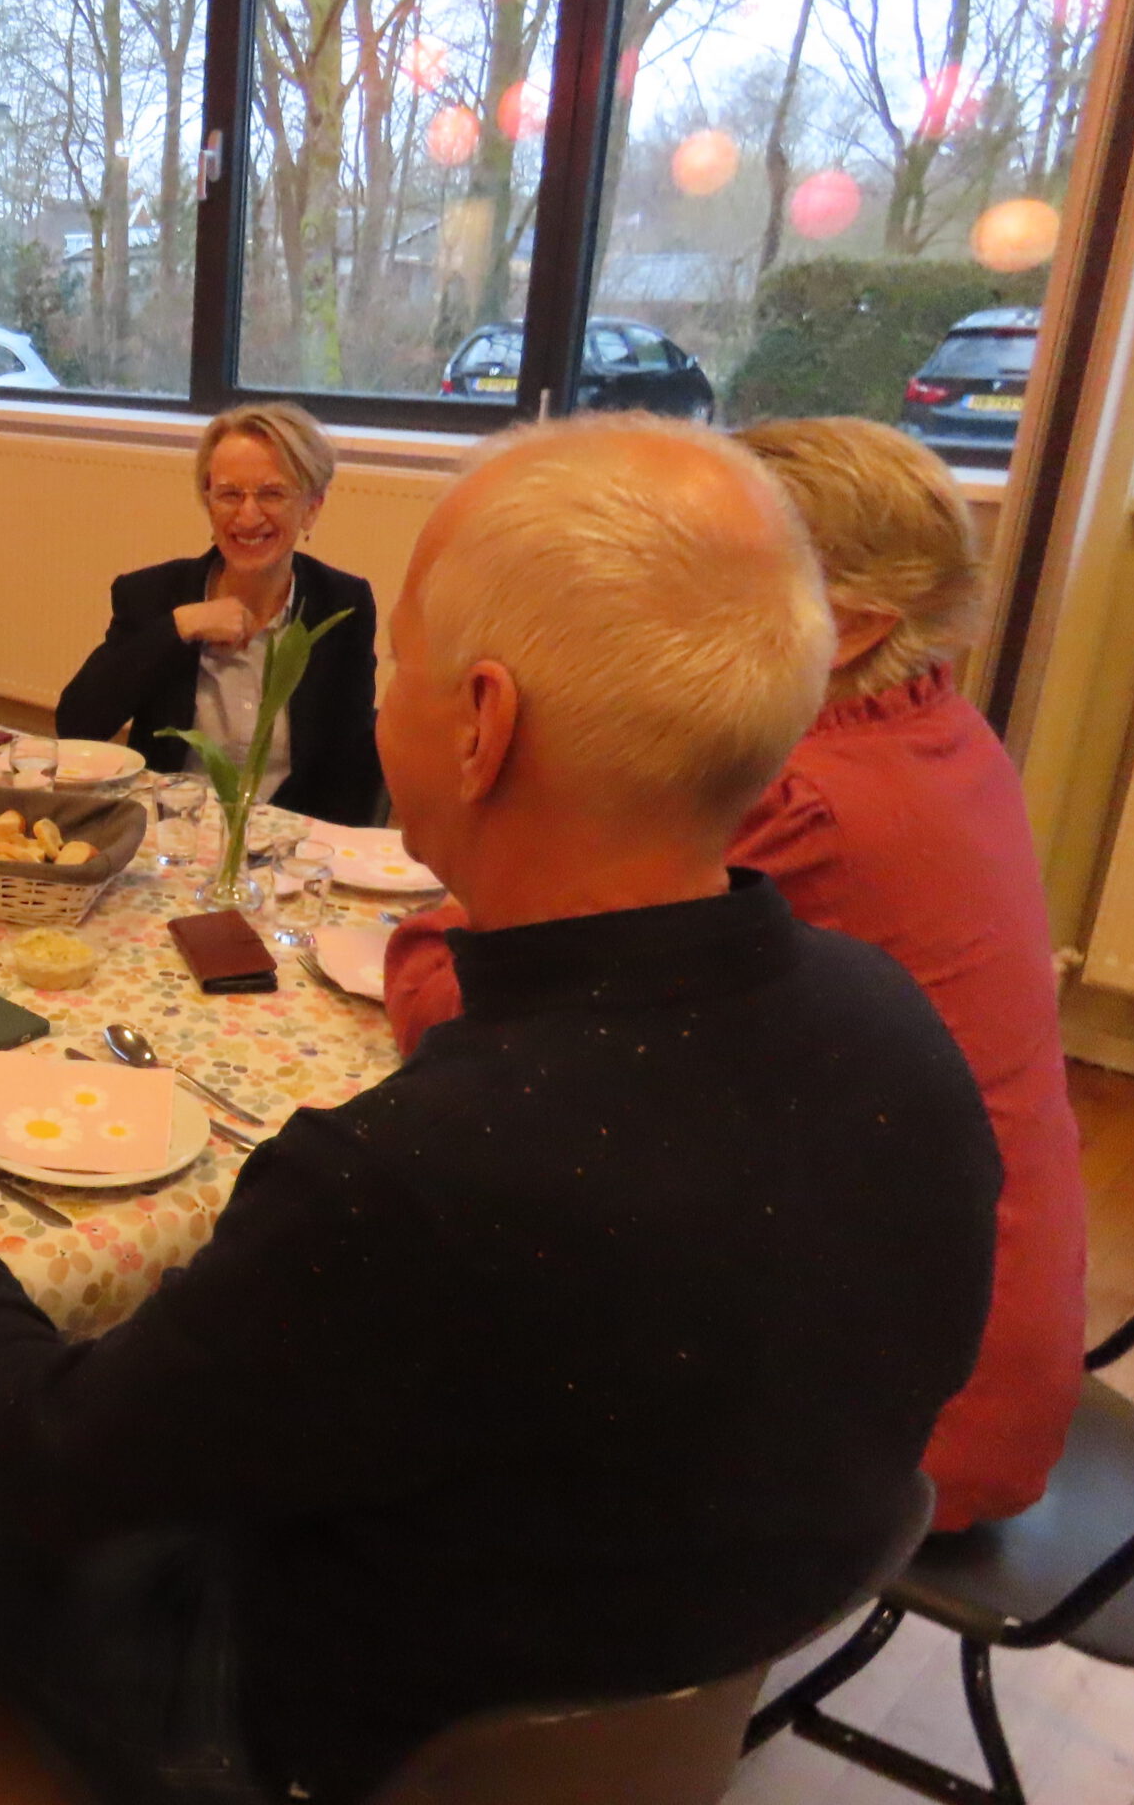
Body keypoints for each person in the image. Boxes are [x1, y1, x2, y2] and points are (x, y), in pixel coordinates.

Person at [0, 414, 1000, 1805]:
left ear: (481, 724)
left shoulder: (413, 1176)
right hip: (704, 1649)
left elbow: (50, 1461)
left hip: (353, 1733)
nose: (381, 699)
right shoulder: (892, 1017)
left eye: (397, 668)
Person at [381, 415, 1086, 1533]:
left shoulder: (801, 800)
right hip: (981, 1326)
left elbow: (475, 1012)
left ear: (849, 628)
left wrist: (445, 917)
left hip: (901, 1412)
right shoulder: (943, 734)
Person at [58, 403, 382, 823]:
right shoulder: (153, 595)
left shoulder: (341, 604)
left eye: (272, 493)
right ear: (208, 502)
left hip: (285, 842)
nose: (248, 516)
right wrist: (179, 627)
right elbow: (77, 725)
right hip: (173, 834)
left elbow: (351, 771)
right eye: (230, 494)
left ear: (312, 507)